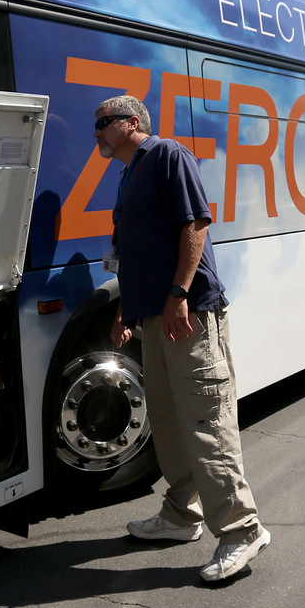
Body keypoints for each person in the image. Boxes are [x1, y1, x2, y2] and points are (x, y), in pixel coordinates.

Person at [95, 94, 270, 583]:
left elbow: (195, 225)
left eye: (104, 123)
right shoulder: (128, 174)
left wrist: (178, 294)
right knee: (170, 421)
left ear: (133, 123)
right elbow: (133, 248)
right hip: (153, 315)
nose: (97, 133)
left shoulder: (168, 155)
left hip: (188, 314)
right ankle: (181, 514)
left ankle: (241, 529)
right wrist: (129, 310)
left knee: (205, 420)